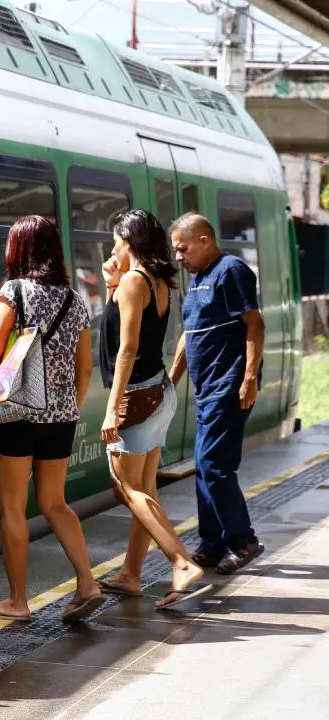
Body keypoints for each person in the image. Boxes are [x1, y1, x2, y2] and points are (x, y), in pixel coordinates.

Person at [0, 216, 102, 623]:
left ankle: (17, 601)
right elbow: (84, 368)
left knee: (13, 507)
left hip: (16, 415)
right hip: (61, 418)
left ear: (20, 249)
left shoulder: (12, 292)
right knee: (54, 502)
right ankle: (88, 583)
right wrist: (67, 408)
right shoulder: (75, 299)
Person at [97, 210, 213, 609]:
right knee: (145, 491)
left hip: (136, 398)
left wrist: (112, 409)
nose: (112, 249)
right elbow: (133, 335)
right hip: (159, 393)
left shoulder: (134, 281)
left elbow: (126, 349)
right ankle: (131, 573)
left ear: (129, 241)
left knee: (126, 488)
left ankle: (181, 562)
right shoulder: (157, 281)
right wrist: (111, 285)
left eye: (115, 241)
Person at [169, 212, 266, 575]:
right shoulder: (196, 280)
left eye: (183, 249)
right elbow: (189, 335)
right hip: (207, 387)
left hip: (229, 384)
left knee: (215, 466)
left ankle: (243, 541)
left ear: (204, 241)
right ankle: (211, 543)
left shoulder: (230, 270)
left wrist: (249, 377)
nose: (179, 257)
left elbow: (254, 324)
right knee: (203, 466)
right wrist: (171, 379)